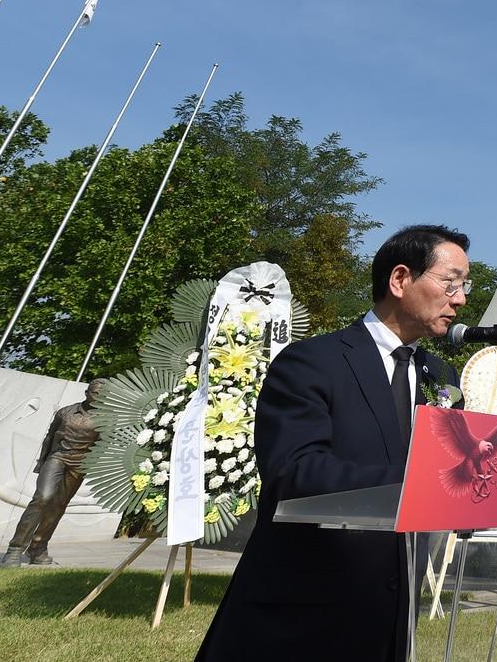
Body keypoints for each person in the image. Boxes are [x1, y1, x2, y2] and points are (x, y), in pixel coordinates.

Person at [196, 225, 467, 662]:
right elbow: (294, 471)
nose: (460, 299)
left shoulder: (441, 376)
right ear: (400, 280)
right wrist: (427, 481)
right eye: (451, 282)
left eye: (464, 286)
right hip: (304, 614)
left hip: (392, 610)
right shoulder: (313, 362)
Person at [0, 378, 106, 566]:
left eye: (103, 395)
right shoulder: (65, 412)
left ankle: (38, 548)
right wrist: (41, 462)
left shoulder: (106, 419)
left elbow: (102, 446)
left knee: (59, 505)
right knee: (43, 498)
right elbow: (49, 436)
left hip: (80, 464)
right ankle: (15, 549)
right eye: (95, 393)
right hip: (57, 457)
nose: (99, 398)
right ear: (87, 392)